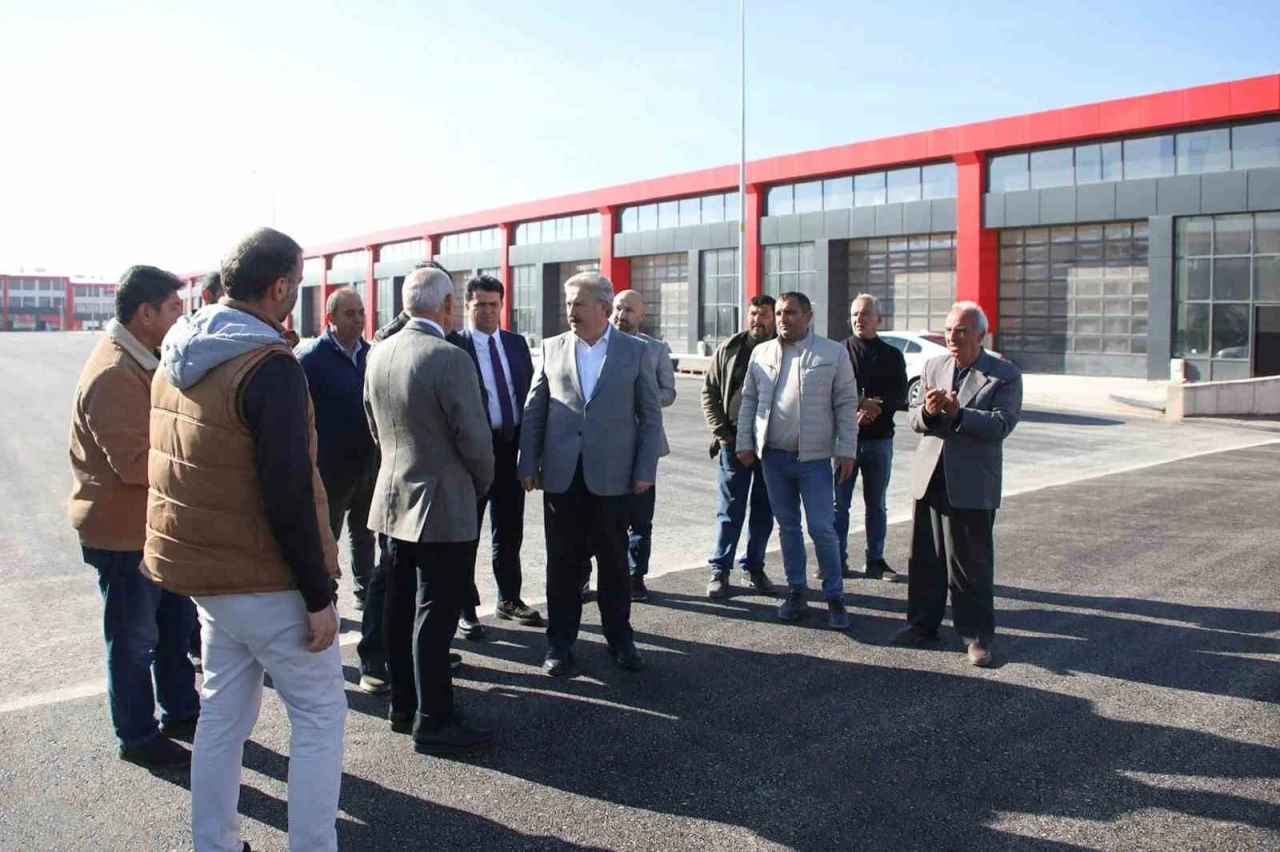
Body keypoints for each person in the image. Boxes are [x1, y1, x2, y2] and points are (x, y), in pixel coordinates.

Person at [145, 227, 346, 852]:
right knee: (319, 716)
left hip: (208, 577)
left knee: (223, 715)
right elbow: (288, 492)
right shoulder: (268, 365)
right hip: (266, 578)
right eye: (298, 282)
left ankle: (216, 842)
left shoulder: (179, 351)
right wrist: (318, 594)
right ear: (280, 286)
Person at [68, 264, 197, 768]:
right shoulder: (114, 373)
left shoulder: (145, 358)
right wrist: (200, 460)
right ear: (145, 313)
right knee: (133, 641)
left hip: (155, 528)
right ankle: (138, 735)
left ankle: (181, 711)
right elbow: (135, 463)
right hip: (124, 535)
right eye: (173, 308)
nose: (182, 316)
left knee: (173, 626)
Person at [365, 265, 496, 754]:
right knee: (436, 616)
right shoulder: (449, 357)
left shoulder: (379, 352)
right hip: (442, 502)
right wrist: (479, 484)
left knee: (399, 608)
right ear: (445, 306)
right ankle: (434, 718)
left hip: (393, 498)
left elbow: (373, 424)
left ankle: (404, 705)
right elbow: (476, 441)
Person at [519, 272, 661, 677]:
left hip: (614, 479)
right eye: (568, 304)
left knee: (614, 564)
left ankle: (620, 639)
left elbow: (650, 416)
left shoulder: (635, 351)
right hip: (562, 477)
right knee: (563, 565)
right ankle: (560, 645)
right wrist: (527, 463)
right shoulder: (552, 348)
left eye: (578, 304)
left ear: (603, 307)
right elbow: (535, 409)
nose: (571, 311)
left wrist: (644, 469)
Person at [890, 302, 1022, 668]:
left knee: (970, 564)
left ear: (980, 335)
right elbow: (913, 418)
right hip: (931, 475)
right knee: (925, 559)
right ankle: (922, 625)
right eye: (949, 330)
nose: (953, 337)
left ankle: (976, 637)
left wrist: (958, 413)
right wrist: (929, 411)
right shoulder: (934, 366)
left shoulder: (1004, 374)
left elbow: (1001, 424)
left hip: (972, 481)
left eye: (961, 331)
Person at [736, 292, 858, 629]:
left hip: (814, 460)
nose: (782, 319)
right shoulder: (762, 353)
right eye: (778, 313)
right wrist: (745, 442)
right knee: (787, 527)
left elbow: (846, 403)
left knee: (822, 528)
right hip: (774, 458)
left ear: (808, 315)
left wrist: (847, 449)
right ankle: (797, 591)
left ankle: (834, 595)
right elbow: (749, 399)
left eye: (789, 312)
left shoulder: (832, 353)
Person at [295, 287, 382, 692]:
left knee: (365, 535)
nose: (358, 319)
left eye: (361, 312)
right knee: (324, 537)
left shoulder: (371, 355)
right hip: (328, 471)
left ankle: (366, 595)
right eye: (350, 313)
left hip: (368, 465)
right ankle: (324, 601)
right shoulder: (310, 359)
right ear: (330, 318)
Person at [446, 274, 542, 636]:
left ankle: (509, 598)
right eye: (479, 304)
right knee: (466, 532)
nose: (487, 310)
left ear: (502, 305)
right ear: (467, 305)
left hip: (510, 448)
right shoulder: (453, 346)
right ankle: (465, 608)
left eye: (493, 304)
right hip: (471, 453)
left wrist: (531, 453)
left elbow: (530, 399)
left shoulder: (516, 344)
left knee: (510, 529)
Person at [701, 294, 777, 599]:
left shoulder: (784, 349)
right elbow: (709, 391)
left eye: (764, 315)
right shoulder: (730, 348)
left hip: (772, 446)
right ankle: (720, 569)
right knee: (730, 510)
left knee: (764, 511)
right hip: (733, 442)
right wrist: (722, 433)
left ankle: (754, 567)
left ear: (774, 317)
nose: (757, 320)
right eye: (753, 314)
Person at [605, 289, 676, 602]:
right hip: (606, 446)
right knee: (602, 515)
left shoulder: (655, 349)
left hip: (644, 445)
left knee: (641, 518)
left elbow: (669, 392)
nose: (622, 315)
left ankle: (636, 577)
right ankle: (594, 576)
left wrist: (641, 399)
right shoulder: (600, 343)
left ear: (642, 315)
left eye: (629, 310)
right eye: (618, 308)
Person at [834, 294, 908, 581]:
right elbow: (830, 391)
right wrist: (859, 404)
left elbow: (900, 394)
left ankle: (875, 559)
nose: (859, 319)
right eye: (854, 314)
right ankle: (836, 560)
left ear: (879, 318)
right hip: (844, 442)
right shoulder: (838, 352)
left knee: (876, 504)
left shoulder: (891, 355)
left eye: (865, 314)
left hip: (880, 440)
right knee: (839, 504)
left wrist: (874, 407)